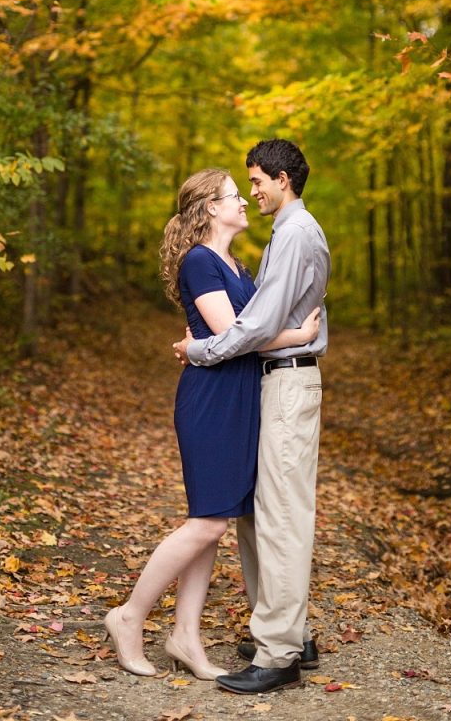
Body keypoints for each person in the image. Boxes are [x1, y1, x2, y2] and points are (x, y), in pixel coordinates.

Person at [103, 167, 320, 680]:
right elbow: (235, 334)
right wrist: (298, 336)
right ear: (208, 209)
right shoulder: (199, 262)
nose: (244, 200)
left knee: (214, 522)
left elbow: (245, 329)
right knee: (206, 522)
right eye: (232, 195)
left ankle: (185, 636)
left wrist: (280, 333)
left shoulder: (236, 265)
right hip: (212, 401)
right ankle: (129, 616)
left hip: (242, 399)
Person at [173, 139, 330, 695]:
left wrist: (198, 351)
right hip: (272, 382)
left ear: (282, 179)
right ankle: (288, 631)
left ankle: (281, 652)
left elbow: (255, 329)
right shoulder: (282, 235)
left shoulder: (293, 235)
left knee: (281, 516)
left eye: (257, 182)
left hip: (287, 381)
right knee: (259, 515)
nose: (253, 193)